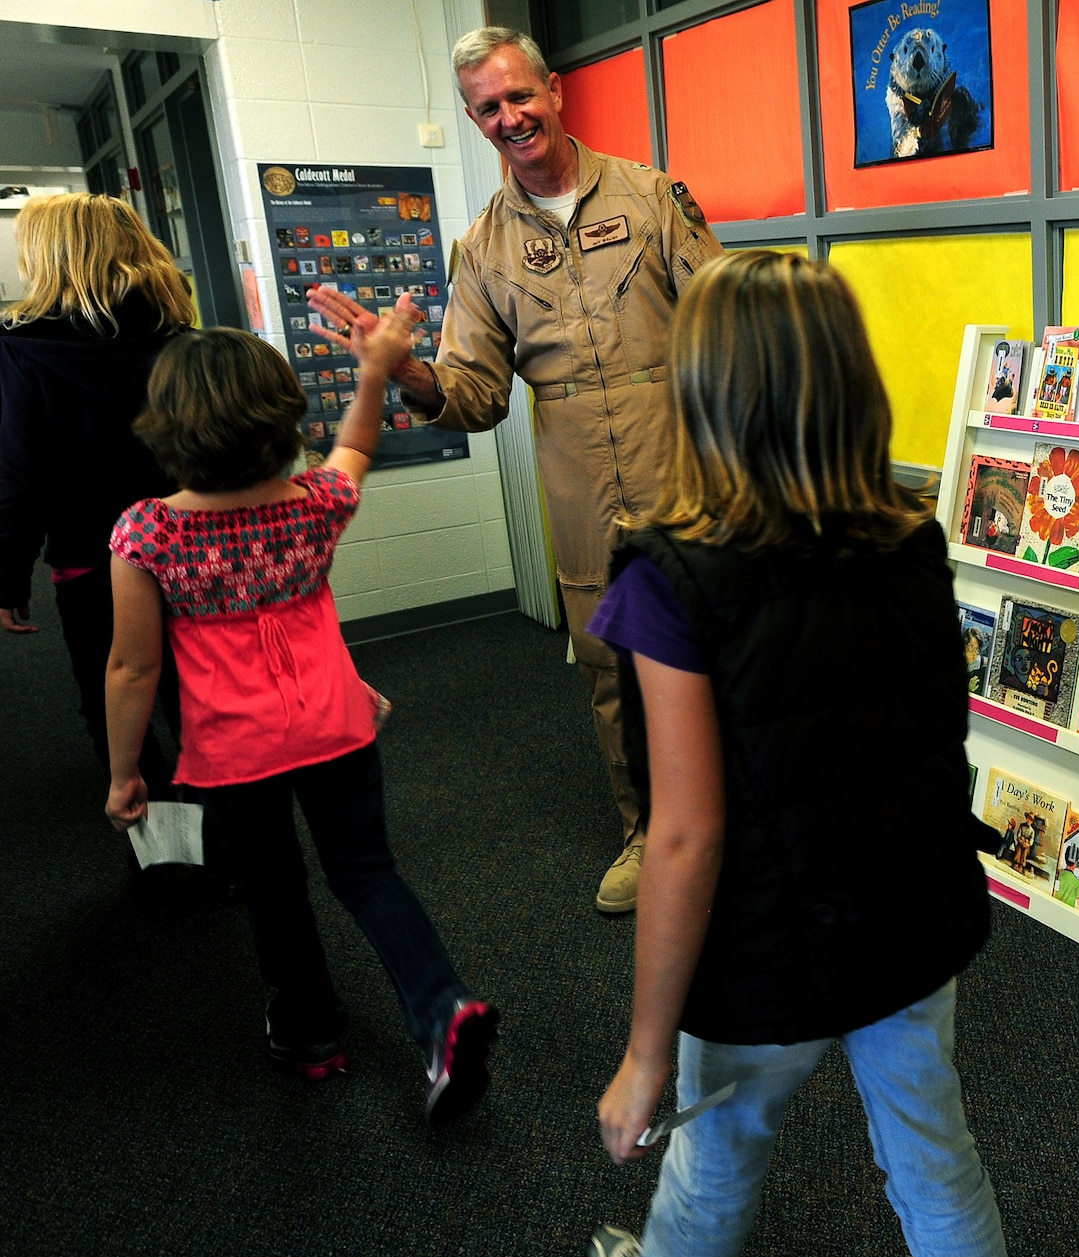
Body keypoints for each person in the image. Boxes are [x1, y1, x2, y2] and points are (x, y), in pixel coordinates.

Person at [577, 251, 1013, 1257]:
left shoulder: (671, 574)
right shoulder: (913, 537)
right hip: (909, 915)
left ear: (702, 388)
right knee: (934, 1157)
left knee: (718, 1144)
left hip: (766, 946)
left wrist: (643, 1056)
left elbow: (682, 837)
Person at [308, 25, 724, 914]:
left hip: (679, 457)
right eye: (488, 108)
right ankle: (646, 831)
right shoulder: (483, 251)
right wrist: (402, 370)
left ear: (555, 90)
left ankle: (743, 819)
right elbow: (474, 395)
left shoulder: (652, 196)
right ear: (472, 120)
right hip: (578, 478)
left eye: (519, 96)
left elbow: (727, 317)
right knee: (609, 660)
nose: (510, 117)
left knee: (715, 643)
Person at [102, 311, 499, 1125]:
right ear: (281, 416)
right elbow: (354, 448)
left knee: (276, 890)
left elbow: (133, 666)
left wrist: (123, 771)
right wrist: (374, 372)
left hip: (235, 752)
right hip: (337, 727)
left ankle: (312, 1033)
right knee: (367, 872)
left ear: (167, 426)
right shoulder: (312, 504)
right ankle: (442, 1008)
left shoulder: (148, 531)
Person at [0, 193, 193, 880]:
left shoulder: (20, 352)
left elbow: (16, 475)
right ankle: (232, 850)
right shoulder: (183, 339)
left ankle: (170, 859)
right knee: (198, 702)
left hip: (92, 558)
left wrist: (7, 574)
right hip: (192, 550)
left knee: (119, 710)